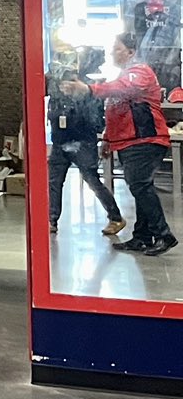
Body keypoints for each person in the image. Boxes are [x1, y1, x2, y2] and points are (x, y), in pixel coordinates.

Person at [73, 38, 176, 253]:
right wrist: (108, 139)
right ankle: (142, 236)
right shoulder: (125, 75)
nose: (112, 54)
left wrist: (90, 89)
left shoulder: (139, 72)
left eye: (117, 49)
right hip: (133, 141)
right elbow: (116, 111)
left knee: (140, 185)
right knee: (140, 187)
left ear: (131, 51)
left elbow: (124, 89)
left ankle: (163, 234)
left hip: (145, 139)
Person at [46, 71, 123, 236]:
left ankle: (115, 217)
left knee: (93, 181)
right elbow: (51, 117)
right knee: (54, 183)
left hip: (83, 144)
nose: (65, 87)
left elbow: (96, 121)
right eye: (62, 84)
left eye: (70, 83)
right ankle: (51, 220)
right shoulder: (56, 99)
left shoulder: (88, 97)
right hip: (60, 144)